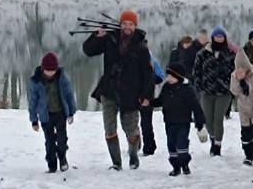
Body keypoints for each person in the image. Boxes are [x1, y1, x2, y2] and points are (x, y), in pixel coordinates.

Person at [82, 10, 153, 171]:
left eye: (131, 24)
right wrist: (95, 37)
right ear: (120, 24)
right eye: (125, 23)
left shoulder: (141, 47)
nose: (127, 27)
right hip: (109, 90)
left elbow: (148, 74)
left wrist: (146, 96)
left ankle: (134, 157)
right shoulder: (109, 39)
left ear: (135, 26)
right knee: (109, 127)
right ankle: (116, 163)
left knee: (130, 129)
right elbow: (88, 51)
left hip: (131, 94)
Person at [152, 63, 206, 176]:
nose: (169, 79)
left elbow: (196, 107)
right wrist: (149, 103)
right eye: (168, 76)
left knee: (181, 144)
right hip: (169, 122)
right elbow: (160, 101)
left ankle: (184, 163)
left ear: (179, 77)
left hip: (183, 122)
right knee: (171, 145)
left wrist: (200, 124)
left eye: (172, 76)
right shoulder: (166, 87)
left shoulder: (187, 89)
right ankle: (176, 167)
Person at [28, 52, 77, 173]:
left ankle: (62, 157)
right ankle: (52, 164)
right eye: (48, 71)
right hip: (46, 115)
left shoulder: (62, 78)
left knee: (62, 139)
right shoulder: (36, 81)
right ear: (43, 69)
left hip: (60, 113)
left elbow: (69, 94)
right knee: (49, 142)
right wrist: (34, 120)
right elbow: (32, 102)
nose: (50, 73)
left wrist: (71, 112)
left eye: (53, 70)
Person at [193, 26, 236, 157]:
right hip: (207, 91)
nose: (219, 38)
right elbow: (196, 71)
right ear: (213, 38)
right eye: (217, 36)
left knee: (218, 119)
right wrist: (199, 86)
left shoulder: (230, 54)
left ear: (224, 38)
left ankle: (217, 145)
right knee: (208, 120)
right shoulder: (202, 53)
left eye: (221, 36)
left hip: (224, 92)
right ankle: (212, 139)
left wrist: (231, 86)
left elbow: (235, 72)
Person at [139, 51, 165, 156]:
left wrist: (151, 78)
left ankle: (149, 147)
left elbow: (161, 76)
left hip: (147, 96)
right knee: (131, 123)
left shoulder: (151, 58)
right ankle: (135, 144)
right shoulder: (127, 56)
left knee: (146, 123)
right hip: (132, 95)